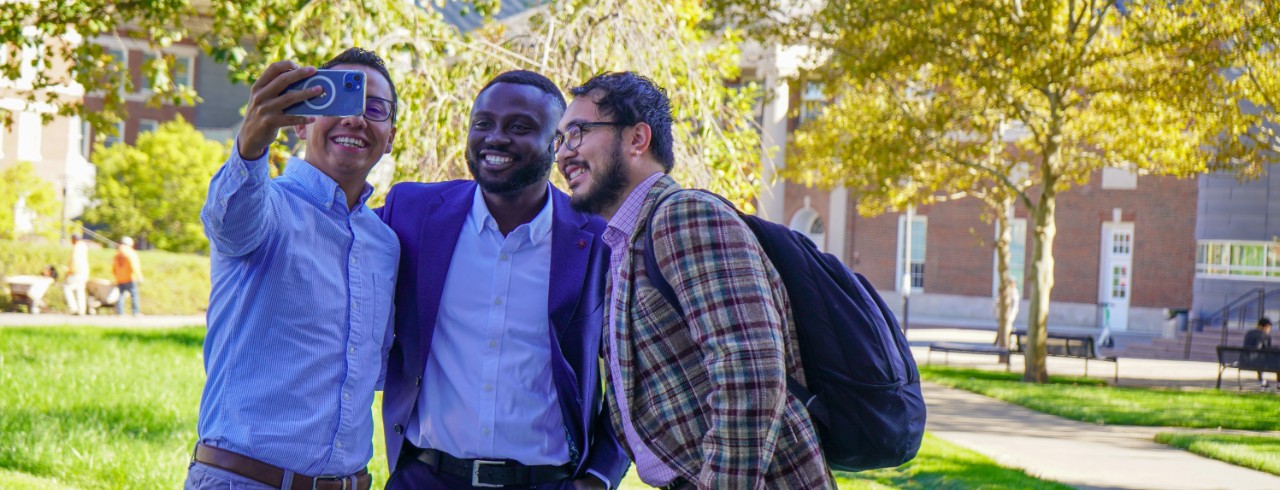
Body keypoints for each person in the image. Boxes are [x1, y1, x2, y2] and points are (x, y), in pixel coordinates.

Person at [554, 72, 833, 489]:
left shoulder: (683, 215)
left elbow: (750, 371)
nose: (562, 155)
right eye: (558, 140)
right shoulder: (625, 242)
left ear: (636, 139)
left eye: (577, 133)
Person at [377, 70, 627, 489]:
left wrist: (600, 476)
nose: (495, 137)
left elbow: (631, 375)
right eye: (483, 124)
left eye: (519, 127)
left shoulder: (599, 238)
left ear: (557, 144)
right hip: (425, 477)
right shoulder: (413, 213)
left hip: (547, 481)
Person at [187, 47, 400, 490]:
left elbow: (373, 371)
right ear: (302, 120)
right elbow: (230, 224)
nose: (356, 119)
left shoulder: (385, 244)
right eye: (339, 101)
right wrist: (252, 143)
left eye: (374, 108)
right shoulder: (269, 205)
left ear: (391, 135)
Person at [112, 236, 143, 316]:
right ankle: (135, 312)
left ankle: (120, 312)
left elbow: (114, 268)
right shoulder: (131, 253)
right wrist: (139, 276)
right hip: (130, 278)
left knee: (121, 295)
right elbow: (134, 266)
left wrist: (117, 276)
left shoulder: (117, 254)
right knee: (134, 295)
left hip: (120, 278)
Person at [1243, 317, 1275, 388]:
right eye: (1269, 327)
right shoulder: (1265, 336)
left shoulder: (1249, 333)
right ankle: (1279, 383)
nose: (1269, 330)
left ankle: (1263, 381)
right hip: (1258, 362)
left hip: (1244, 361)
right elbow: (1268, 350)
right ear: (1266, 326)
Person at [62, 234, 89, 315]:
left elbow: (74, 260)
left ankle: (73, 307)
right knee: (80, 290)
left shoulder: (76, 248)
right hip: (84, 272)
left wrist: (69, 271)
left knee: (66, 287)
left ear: (74, 239)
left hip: (76, 272)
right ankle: (81, 310)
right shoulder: (84, 247)